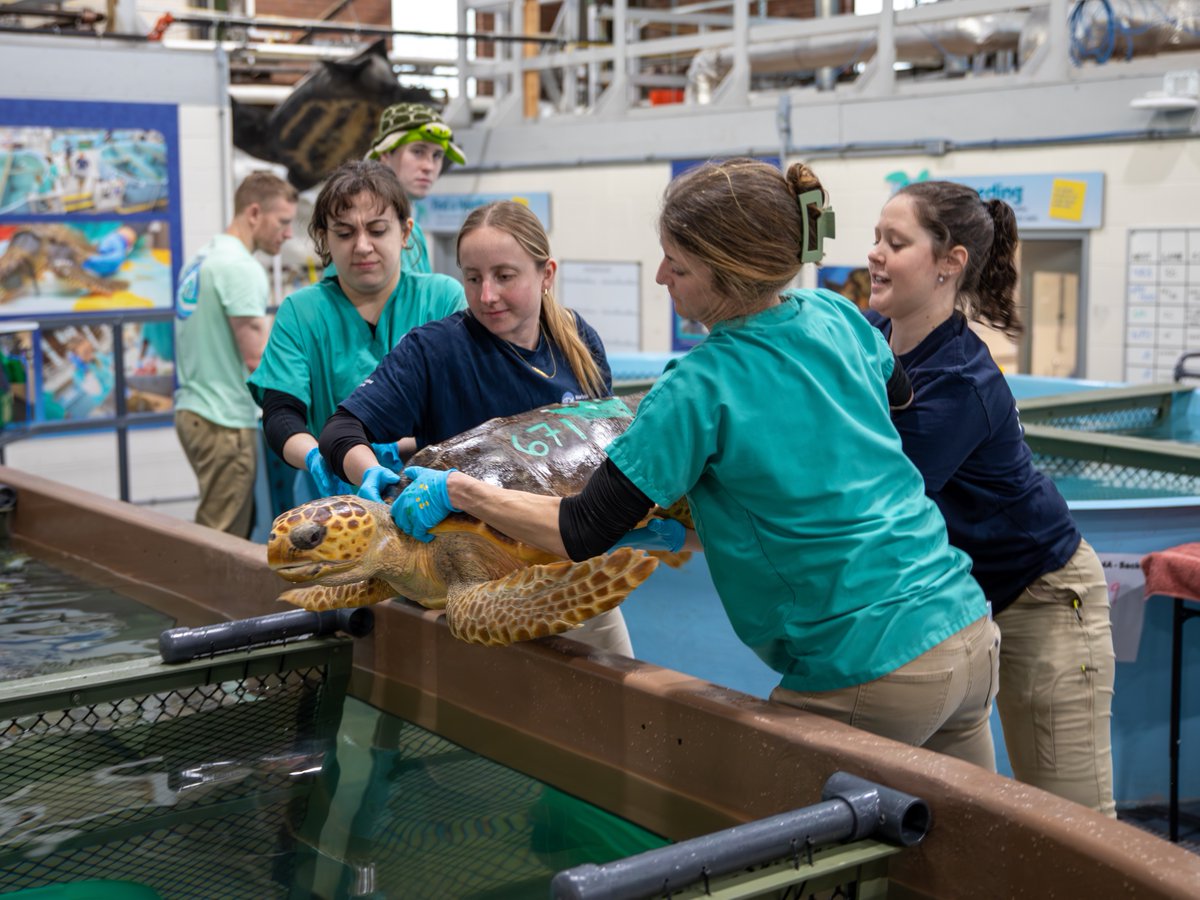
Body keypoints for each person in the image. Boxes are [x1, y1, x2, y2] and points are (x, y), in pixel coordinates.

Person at [377, 159, 1002, 765]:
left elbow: (581, 532)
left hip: (866, 657)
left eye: (676, 264)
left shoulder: (697, 387)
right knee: (961, 859)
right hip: (964, 623)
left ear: (723, 273)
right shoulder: (839, 314)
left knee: (777, 854)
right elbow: (897, 399)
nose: (660, 279)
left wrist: (461, 492)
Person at [865, 180, 1117, 816]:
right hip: (965, 606)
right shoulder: (869, 333)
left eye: (896, 243)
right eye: (875, 238)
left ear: (950, 263)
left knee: (1073, 824)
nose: (874, 254)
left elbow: (874, 497)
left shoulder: (960, 381)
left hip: (1043, 597)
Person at [318, 199, 629, 655]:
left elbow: (605, 447)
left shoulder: (578, 340)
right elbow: (341, 429)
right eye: (473, 277)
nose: (487, 295)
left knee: (607, 709)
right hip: (471, 586)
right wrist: (370, 474)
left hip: (567, 568)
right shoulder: (437, 351)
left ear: (546, 274)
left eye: (505, 276)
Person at [249, 160, 466, 504]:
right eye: (345, 233)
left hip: (429, 492)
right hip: (334, 499)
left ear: (405, 232)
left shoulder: (442, 299)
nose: (362, 246)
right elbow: (281, 414)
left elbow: (463, 406)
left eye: (378, 230)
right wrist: (320, 457)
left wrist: (404, 447)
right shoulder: (302, 312)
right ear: (324, 238)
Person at [174, 171, 296, 538]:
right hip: (223, 419)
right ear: (255, 213)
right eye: (284, 222)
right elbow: (258, 359)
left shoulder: (201, 258)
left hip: (194, 410)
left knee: (220, 526)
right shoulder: (240, 268)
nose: (289, 233)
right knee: (222, 538)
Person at [362, 102, 466, 274]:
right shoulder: (357, 227)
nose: (429, 166)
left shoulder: (414, 233)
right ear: (386, 154)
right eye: (418, 152)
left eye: (437, 155)